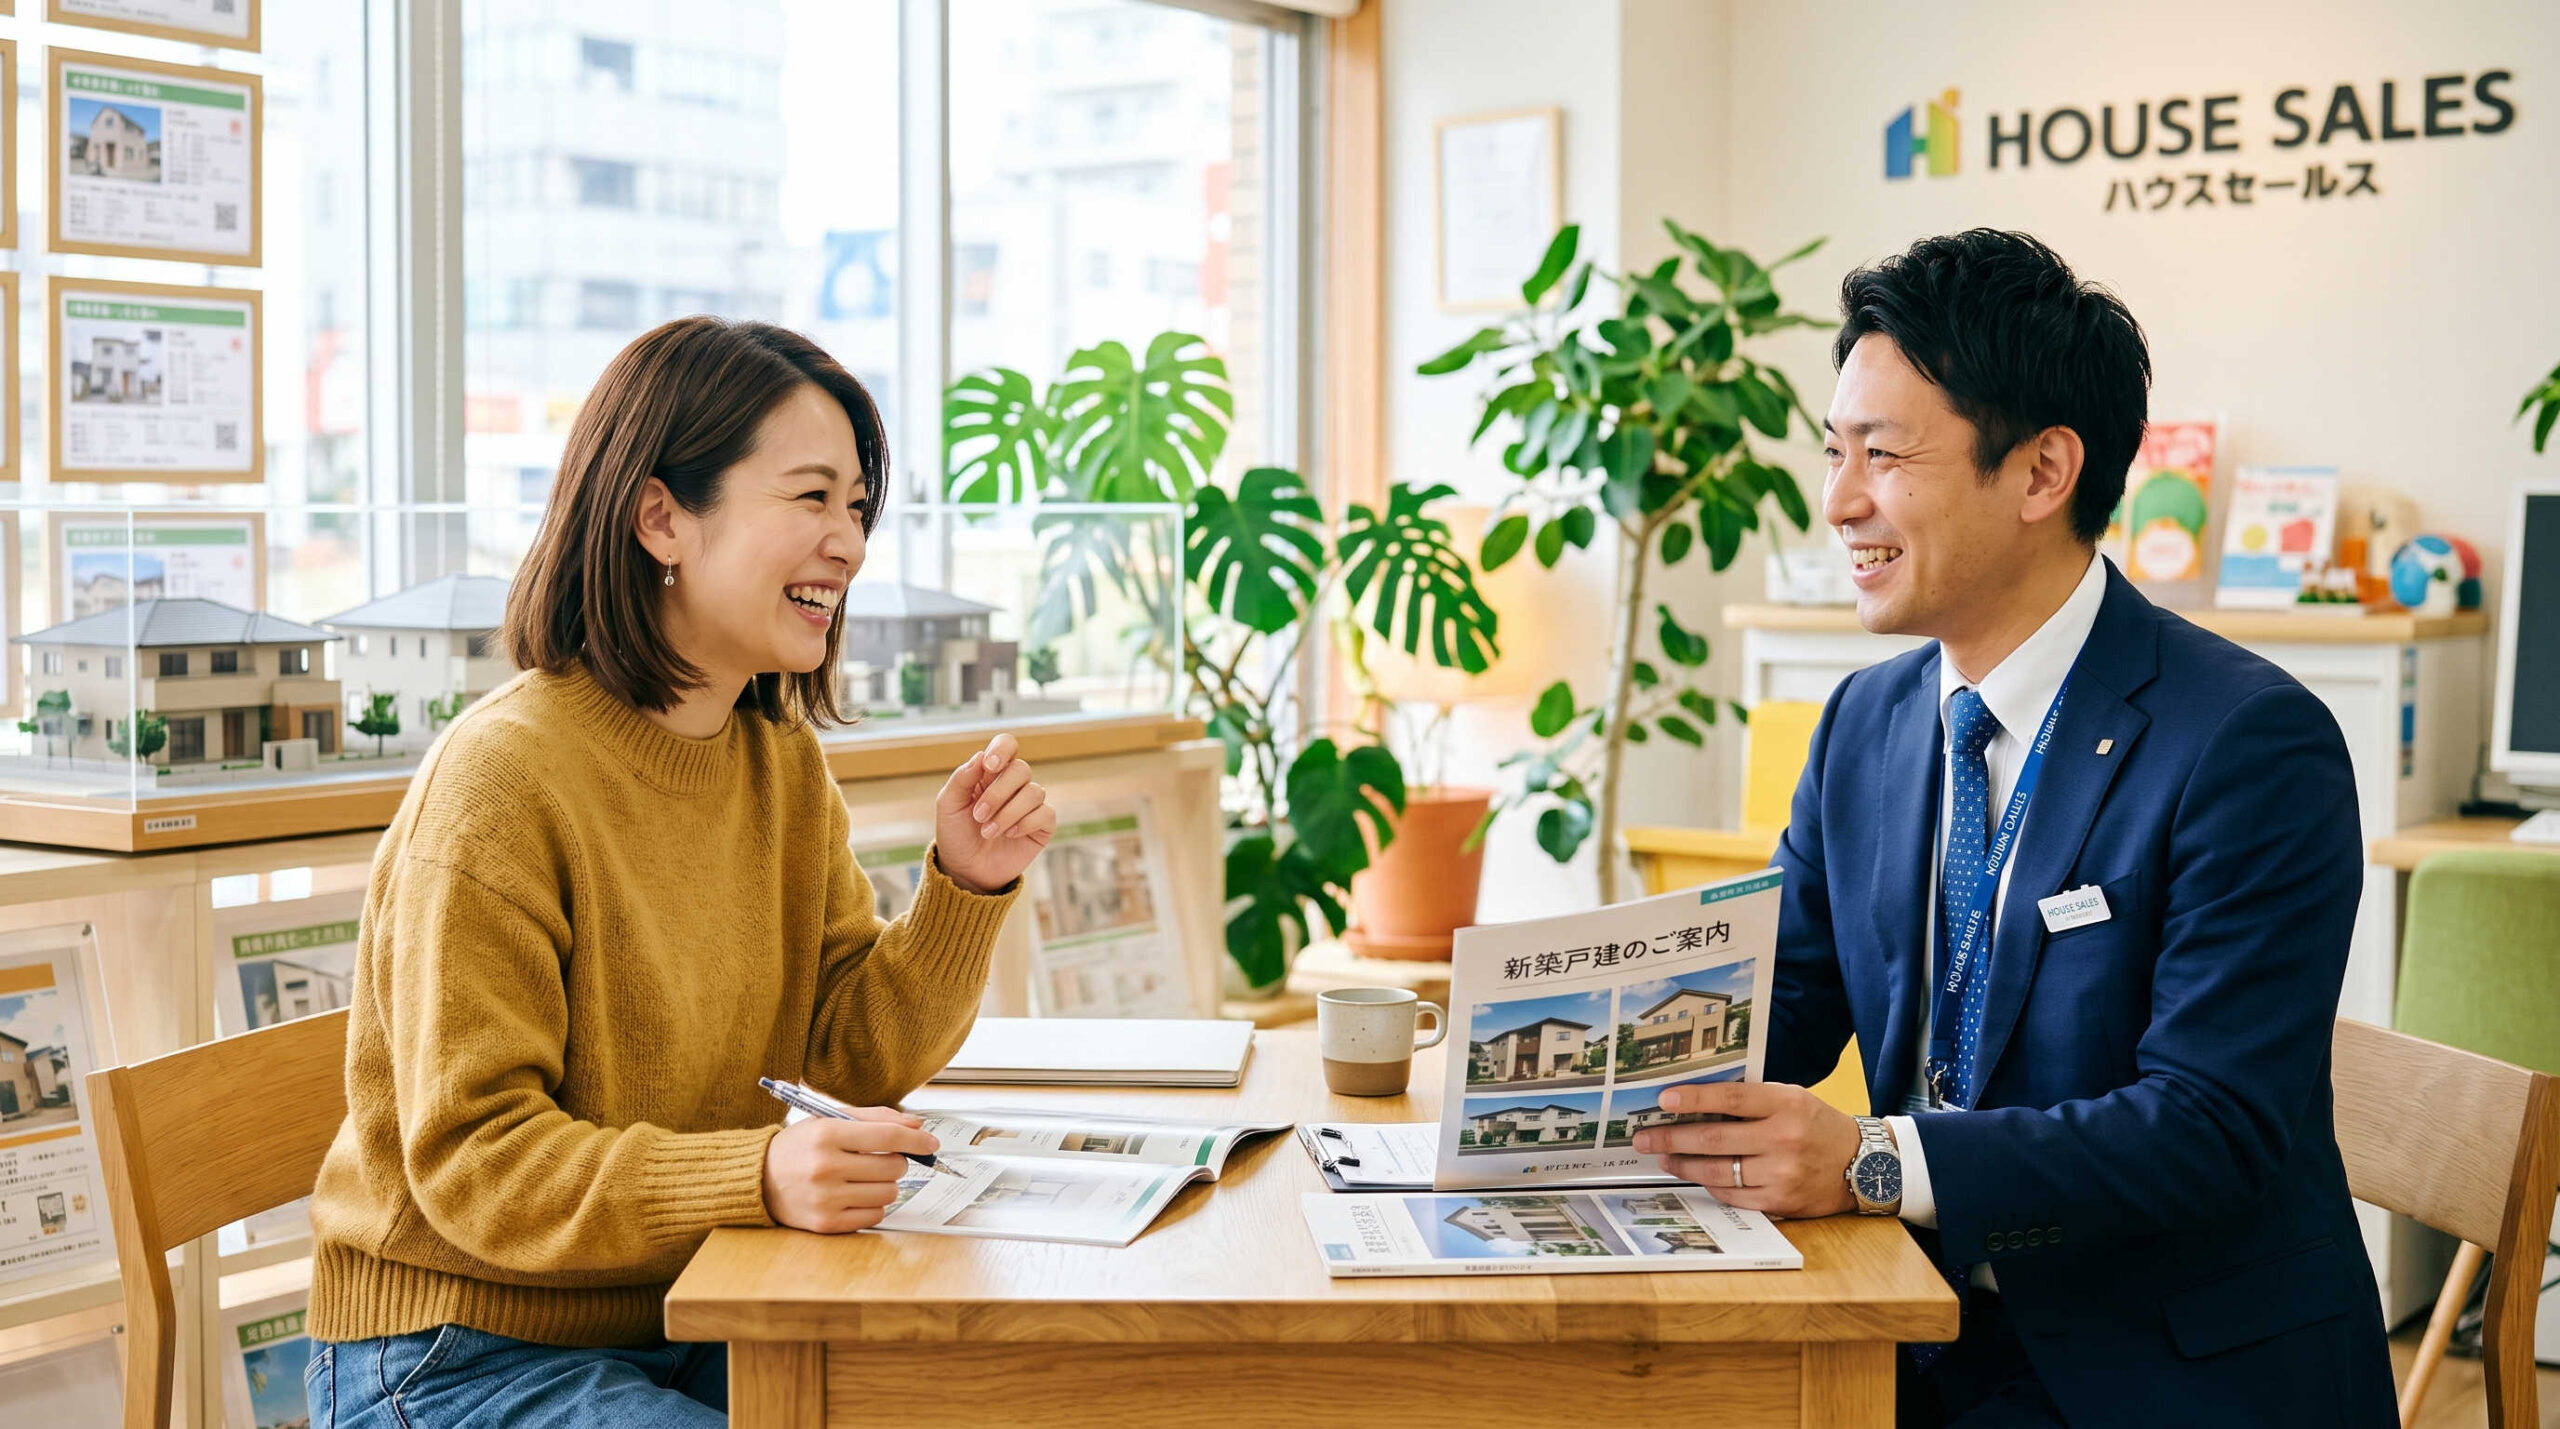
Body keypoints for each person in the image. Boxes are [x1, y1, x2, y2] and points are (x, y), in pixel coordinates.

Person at [1634, 230, 2396, 1426]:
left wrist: (1869, 1162)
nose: (1838, 503)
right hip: (1909, 1319)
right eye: (1836, 452)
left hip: (2155, 1366)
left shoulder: (2248, 743)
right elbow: (1772, 1002)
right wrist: (1541, 1065)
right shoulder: (1867, 721)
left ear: (2042, 473)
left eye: (1882, 456)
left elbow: (2207, 1128)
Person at [300, 316, 1058, 1428]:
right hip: (457, 1350)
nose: (847, 542)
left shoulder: (777, 760)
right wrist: (753, 1177)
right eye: (810, 498)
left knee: (994, 1396)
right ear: (662, 517)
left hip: (689, 1312)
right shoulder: (503, 780)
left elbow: (844, 1056)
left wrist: (966, 886)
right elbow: (472, 1161)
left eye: (856, 507)